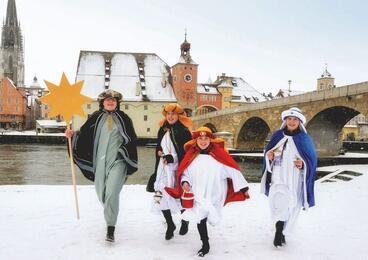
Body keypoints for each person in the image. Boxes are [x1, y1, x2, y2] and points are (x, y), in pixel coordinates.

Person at [65, 89, 138, 243]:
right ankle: (111, 211)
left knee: (112, 192)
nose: (110, 102)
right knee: (102, 193)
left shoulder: (125, 119)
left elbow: (131, 139)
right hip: (99, 161)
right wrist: (71, 136)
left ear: (117, 103)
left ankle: (110, 228)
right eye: (107, 100)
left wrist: (123, 152)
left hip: (118, 160)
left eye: (113, 100)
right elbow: (83, 136)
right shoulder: (95, 118)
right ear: (102, 103)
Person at [165, 127, 250, 257]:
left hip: (215, 193)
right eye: (200, 138)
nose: (203, 141)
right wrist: (185, 183)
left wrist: (243, 188)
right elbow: (185, 173)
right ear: (195, 140)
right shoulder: (191, 156)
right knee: (201, 218)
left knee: (209, 216)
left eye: (206, 138)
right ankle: (205, 244)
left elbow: (233, 170)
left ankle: (206, 239)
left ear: (211, 140)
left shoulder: (220, 156)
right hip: (198, 192)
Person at [260, 107, 317, 248]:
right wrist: (269, 156)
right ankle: (279, 231)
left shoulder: (304, 139)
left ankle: (282, 231)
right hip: (278, 176)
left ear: (299, 122)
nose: (291, 122)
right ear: (285, 121)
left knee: (290, 205)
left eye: (295, 119)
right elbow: (268, 154)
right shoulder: (278, 135)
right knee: (279, 203)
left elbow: (311, 160)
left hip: (294, 178)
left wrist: (302, 164)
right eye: (289, 119)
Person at [148, 103, 193, 240]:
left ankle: (185, 221)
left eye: (173, 114)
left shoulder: (184, 131)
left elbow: (187, 152)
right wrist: (159, 152)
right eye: (168, 114)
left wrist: (172, 158)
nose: (170, 116)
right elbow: (159, 146)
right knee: (160, 196)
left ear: (178, 115)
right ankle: (170, 224)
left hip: (177, 169)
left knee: (179, 196)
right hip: (163, 168)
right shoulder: (162, 129)